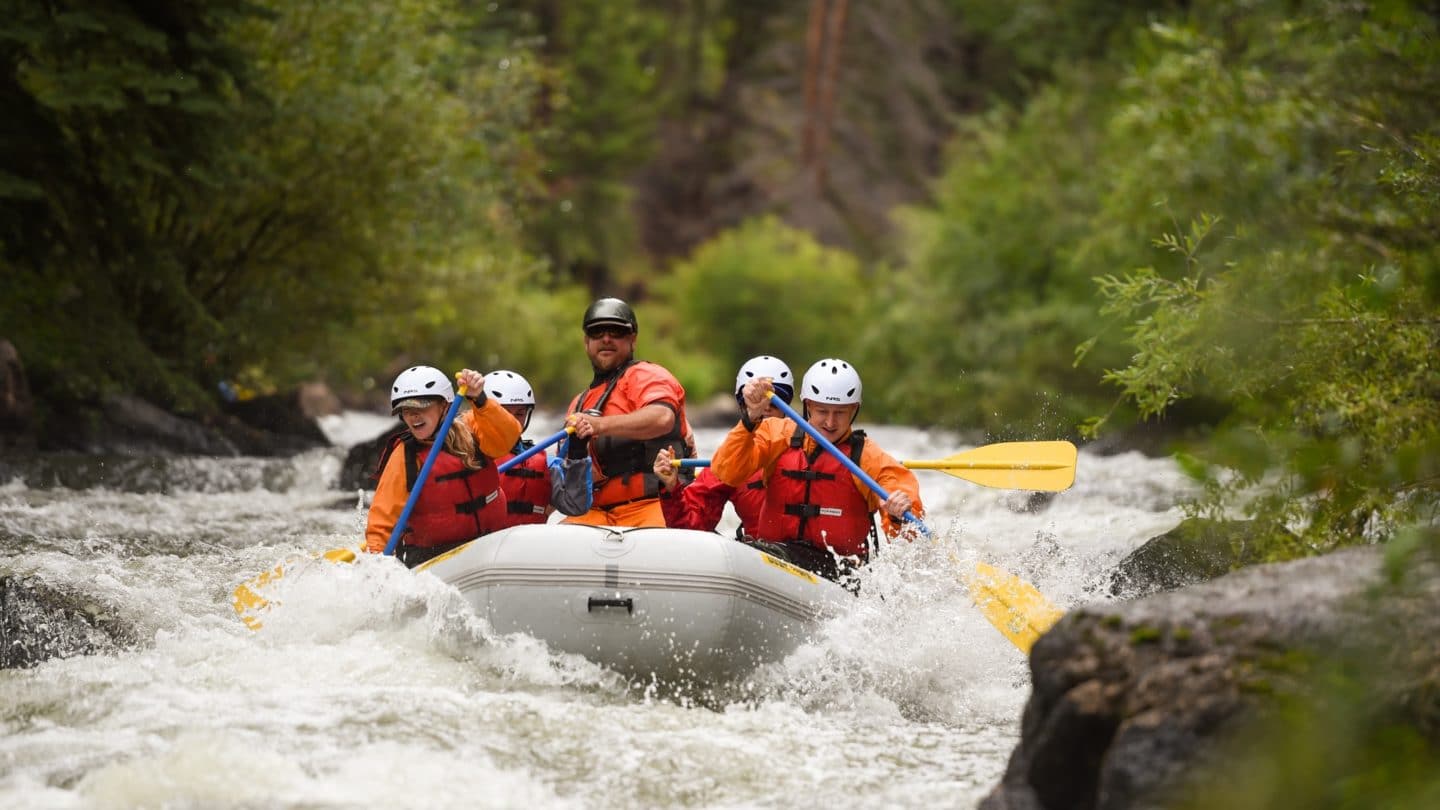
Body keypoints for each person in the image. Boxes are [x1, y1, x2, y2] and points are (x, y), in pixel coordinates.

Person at [711, 358, 924, 582]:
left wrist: (898, 513)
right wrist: (750, 419)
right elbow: (727, 472)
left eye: (840, 413)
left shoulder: (867, 456)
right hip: (778, 556)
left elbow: (907, 527)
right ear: (808, 406)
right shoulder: (776, 434)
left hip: (840, 571)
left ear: (854, 410)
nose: (830, 422)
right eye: (822, 411)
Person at [365, 365, 521, 568]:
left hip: (488, 544)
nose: (413, 416)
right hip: (433, 559)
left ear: (444, 405)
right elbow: (382, 518)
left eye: (422, 407)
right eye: (406, 410)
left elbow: (509, 436)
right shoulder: (405, 456)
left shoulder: (473, 428)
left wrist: (480, 399)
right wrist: (375, 562)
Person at [562, 297, 690, 527]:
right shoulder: (577, 404)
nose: (606, 339)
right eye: (597, 332)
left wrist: (598, 425)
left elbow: (662, 418)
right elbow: (565, 477)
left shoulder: (646, 375)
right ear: (587, 342)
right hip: (595, 513)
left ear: (632, 339)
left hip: (652, 504)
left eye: (616, 332)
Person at [653, 355, 796, 535]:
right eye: (754, 400)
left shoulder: (807, 447)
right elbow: (691, 526)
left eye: (774, 401)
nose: (764, 407)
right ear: (743, 406)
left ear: (786, 406)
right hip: (761, 547)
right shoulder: (731, 458)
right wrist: (671, 488)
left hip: (808, 547)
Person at [484, 369, 552, 527]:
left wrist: (577, 453)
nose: (513, 422)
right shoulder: (468, 455)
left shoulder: (543, 459)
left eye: (520, 414)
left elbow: (575, 506)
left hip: (528, 537)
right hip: (486, 539)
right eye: (504, 413)